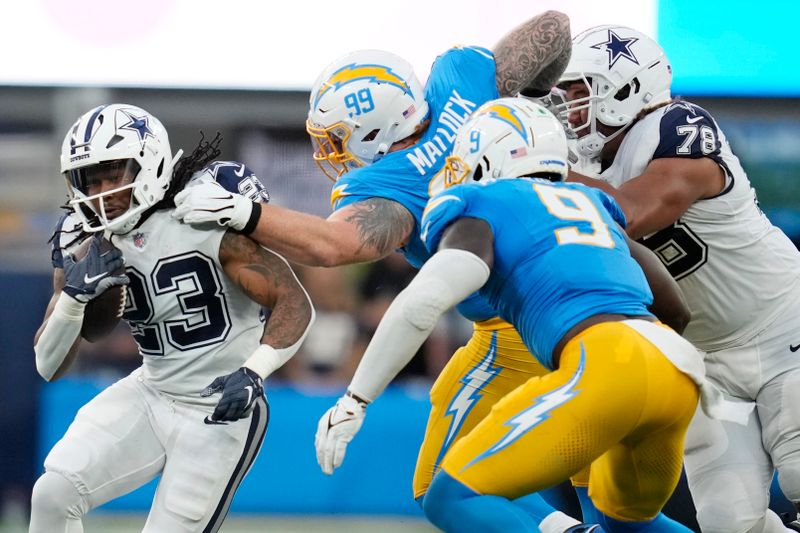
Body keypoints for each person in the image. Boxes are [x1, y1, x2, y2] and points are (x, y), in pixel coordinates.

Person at [172, 10, 589, 529]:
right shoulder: (461, 76)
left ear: (376, 128)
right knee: (608, 494)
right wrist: (529, 101)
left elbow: (332, 245)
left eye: (338, 138)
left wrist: (247, 212)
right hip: (595, 270)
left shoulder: (393, 187)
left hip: (518, 325)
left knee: (444, 485)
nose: (332, 153)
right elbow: (553, 28)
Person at [338, 96, 743, 533]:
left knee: (449, 495)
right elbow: (674, 308)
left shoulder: (481, 202)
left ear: (485, 157)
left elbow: (422, 305)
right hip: (675, 370)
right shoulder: (592, 203)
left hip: (608, 365)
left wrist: (356, 398)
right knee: (629, 525)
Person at [555, 24, 800, 533]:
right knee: (729, 522)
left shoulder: (677, 125)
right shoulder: (574, 161)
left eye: (582, 93)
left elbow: (633, 210)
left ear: (626, 90)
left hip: (783, 327)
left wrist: (531, 171)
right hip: (704, 363)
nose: (571, 110)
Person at [30, 104, 314, 533]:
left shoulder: (201, 214)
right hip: (152, 391)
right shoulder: (83, 237)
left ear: (148, 164)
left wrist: (255, 371)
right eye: (92, 179)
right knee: (52, 493)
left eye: (114, 174)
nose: (103, 191)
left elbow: (294, 301)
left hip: (217, 409)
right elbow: (47, 365)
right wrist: (73, 298)